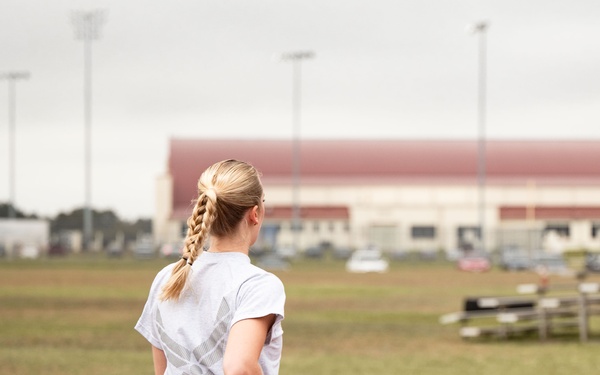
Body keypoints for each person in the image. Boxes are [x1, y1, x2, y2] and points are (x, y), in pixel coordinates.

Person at [135, 159, 286, 375]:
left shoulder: (167, 277)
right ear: (255, 213)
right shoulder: (257, 285)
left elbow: (163, 369)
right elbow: (239, 367)